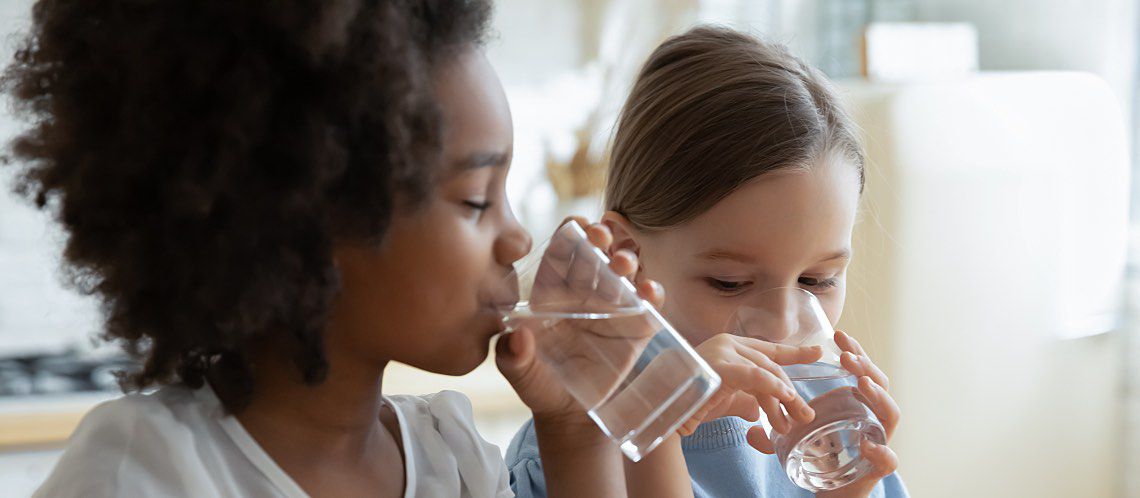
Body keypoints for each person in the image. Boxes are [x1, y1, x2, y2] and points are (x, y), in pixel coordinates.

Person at [8, 1, 671, 496]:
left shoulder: (454, 460)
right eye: (476, 199)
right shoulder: (147, 472)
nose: (519, 237)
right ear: (310, 216)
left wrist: (576, 427)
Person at [507, 26, 909, 498]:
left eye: (817, 280)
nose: (781, 326)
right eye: (729, 282)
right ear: (627, 259)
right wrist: (658, 417)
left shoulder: (822, 447)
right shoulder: (573, 448)